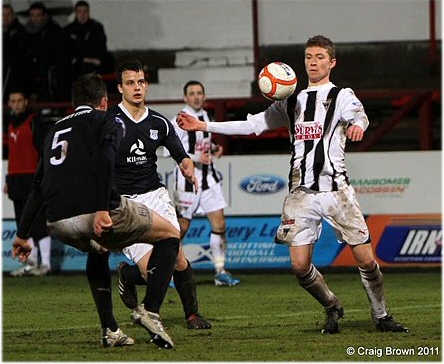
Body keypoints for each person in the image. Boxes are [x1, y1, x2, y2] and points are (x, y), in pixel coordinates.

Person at [177, 35, 409, 334]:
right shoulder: (291, 101)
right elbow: (252, 125)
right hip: (301, 194)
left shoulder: (341, 95)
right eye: (309, 57)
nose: (313, 62)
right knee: (300, 266)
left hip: (337, 192)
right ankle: (331, 305)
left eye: (320, 57)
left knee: (366, 260)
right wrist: (204, 125)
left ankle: (381, 316)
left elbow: (360, 115)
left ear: (332, 62)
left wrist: (357, 127)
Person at [11, 73, 197, 349]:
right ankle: (151, 310)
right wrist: (101, 208)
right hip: (95, 210)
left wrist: (22, 234)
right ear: (104, 100)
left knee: (98, 250)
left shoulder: (53, 130)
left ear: (73, 104)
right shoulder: (106, 119)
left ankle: (110, 330)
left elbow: (38, 186)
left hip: (57, 221)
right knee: (170, 234)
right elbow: (106, 162)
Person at [107, 60, 211, 330]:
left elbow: (181, 155)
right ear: (120, 88)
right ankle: (128, 274)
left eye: (140, 82)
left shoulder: (159, 122)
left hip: (155, 195)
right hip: (125, 203)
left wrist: (188, 169)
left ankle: (193, 315)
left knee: (176, 256)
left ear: (146, 85)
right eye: (130, 83)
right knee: (148, 269)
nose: (137, 87)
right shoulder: (108, 122)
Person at [170, 80, 240, 286]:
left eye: (199, 93)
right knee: (181, 228)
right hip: (187, 181)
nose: (196, 96)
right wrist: (195, 158)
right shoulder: (179, 120)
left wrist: (215, 147)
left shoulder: (205, 117)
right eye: (192, 93)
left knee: (219, 225)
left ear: (204, 96)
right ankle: (169, 270)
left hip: (209, 179)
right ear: (185, 97)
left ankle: (220, 271)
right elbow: (169, 150)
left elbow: (203, 143)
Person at [4, 91, 52, 277]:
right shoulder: (10, 124)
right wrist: (8, 180)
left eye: (19, 101)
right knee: (22, 224)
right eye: (12, 101)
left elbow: (43, 151)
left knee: (38, 222)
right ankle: (31, 263)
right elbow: (13, 156)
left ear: (25, 102)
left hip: (32, 178)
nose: (16, 104)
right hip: (16, 180)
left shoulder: (34, 122)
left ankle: (46, 264)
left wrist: (43, 176)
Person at [21, 2, 65, 101]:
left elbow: (56, 51)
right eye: (32, 15)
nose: (35, 18)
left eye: (38, 15)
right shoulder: (26, 31)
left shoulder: (53, 29)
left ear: (44, 16)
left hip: (49, 63)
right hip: (32, 63)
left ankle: (50, 102)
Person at [63, 0, 111, 81]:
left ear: (89, 12)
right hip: (75, 67)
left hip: (95, 65)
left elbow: (101, 48)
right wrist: (84, 59)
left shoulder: (96, 28)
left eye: (85, 11)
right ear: (75, 13)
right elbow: (67, 52)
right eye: (80, 11)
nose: (82, 14)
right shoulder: (68, 30)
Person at [2, 4, 25, 103]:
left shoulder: (21, 33)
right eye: (2, 14)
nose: (5, 17)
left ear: (13, 16)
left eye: (8, 14)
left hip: (14, 76)